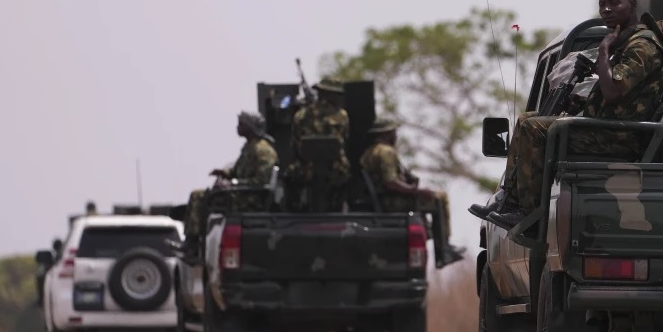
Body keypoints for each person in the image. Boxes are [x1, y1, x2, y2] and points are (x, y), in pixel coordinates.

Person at [488, 0, 663, 230]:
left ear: (632, 5)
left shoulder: (642, 45)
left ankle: (529, 214)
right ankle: (510, 202)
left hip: (619, 136)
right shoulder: (627, 40)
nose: (607, 10)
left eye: (614, 3)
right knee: (526, 119)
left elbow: (613, 91)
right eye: (602, 5)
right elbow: (621, 95)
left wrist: (603, 51)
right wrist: (584, 100)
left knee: (533, 129)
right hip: (608, 127)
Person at [360, 120, 465, 268]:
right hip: (393, 201)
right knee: (440, 198)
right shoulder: (385, 151)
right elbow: (391, 183)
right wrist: (417, 192)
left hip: (386, 199)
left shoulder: (369, 152)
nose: (395, 136)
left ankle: (441, 246)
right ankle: (444, 250)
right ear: (386, 134)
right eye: (393, 132)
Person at [184, 112, 279, 242]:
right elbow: (237, 171)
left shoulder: (263, 150)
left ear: (250, 127)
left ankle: (192, 243)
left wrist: (232, 184)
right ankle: (194, 241)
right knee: (199, 195)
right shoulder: (250, 147)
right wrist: (224, 173)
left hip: (250, 198)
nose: (237, 127)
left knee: (199, 197)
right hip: (240, 194)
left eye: (241, 124)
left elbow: (261, 182)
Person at [289, 76, 351, 212]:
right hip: (336, 169)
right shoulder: (342, 115)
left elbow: (295, 142)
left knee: (290, 176)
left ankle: (294, 206)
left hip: (304, 169)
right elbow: (344, 140)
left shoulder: (300, 115)